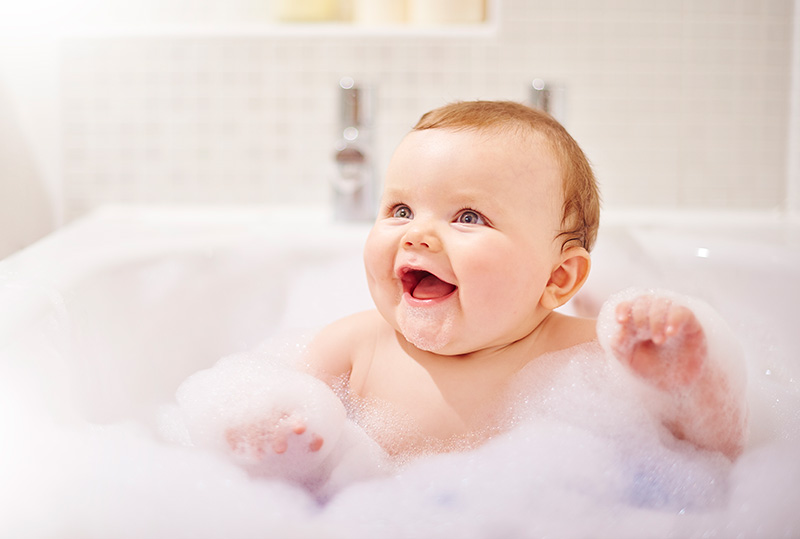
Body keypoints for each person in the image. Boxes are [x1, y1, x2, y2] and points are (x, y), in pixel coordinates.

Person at [177, 101, 747, 493]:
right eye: (400, 209)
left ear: (559, 281)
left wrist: (685, 382)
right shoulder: (356, 348)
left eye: (468, 216)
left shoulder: (588, 358)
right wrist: (266, 437)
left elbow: (712, 460)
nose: (417, 233)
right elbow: (248, 413)